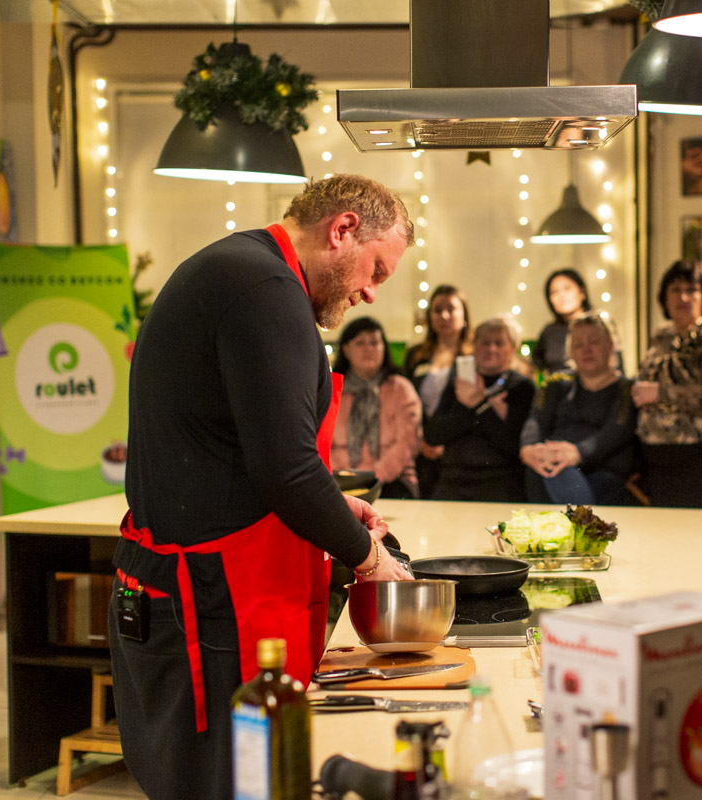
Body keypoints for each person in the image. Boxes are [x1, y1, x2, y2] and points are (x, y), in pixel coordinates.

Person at [111, 175, 414, 800]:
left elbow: (248, 451)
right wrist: (372, 561)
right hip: (209, 596)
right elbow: (286, 472)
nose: (370, 292)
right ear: (343, 230)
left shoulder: (246, 271)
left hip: (204, 581)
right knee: (231, 783)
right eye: (376, 270)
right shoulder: (264, 288)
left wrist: (334, 503)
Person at [632, 261, 702, 508]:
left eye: (692, 289)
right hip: (657, 452)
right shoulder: (660, 335)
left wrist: (660, 394)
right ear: (664, 297)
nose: (683, 296)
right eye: (675, 289)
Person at [521, 313, 635, 505]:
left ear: (611, 345)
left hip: (602, 470)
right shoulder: (555, 382)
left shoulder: (626, 388)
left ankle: (582, 526)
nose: (586, 350)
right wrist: (528, 446)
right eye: (578, 344)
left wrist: (577, 452)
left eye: (594, 342)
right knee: (544, 469)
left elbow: (616, 431)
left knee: (556, 470)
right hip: (553, 464)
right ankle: (586, 527)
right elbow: (536, 420)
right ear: (570, 352)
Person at [424, 316, 536, 502]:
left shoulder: (522, 387)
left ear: (513, 348)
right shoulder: (460, 381)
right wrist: (471, 407)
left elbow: (514, 445)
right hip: (452, 482)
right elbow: (433, 434)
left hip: (500, 484)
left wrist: (479, 405)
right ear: (474, 347)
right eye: (485, 342)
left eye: (499, 343)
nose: (491, 349)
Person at [330, 316, 421, 499]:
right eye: (360, 343)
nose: (369, 349)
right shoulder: (332, 390)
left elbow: (408, 443)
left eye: (375, 342)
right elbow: (321, 442)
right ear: (346, 350)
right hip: (339, 480)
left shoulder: (400, 388)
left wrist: (374, 476)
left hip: (393, 480)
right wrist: (347, 476)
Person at [403, 284, 472, 497]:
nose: (444, 315)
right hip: (419, 446)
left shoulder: (473, 356)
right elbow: (405, 400)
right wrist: (421, 441)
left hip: (456, 450)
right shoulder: (417, 354)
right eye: (437, 310)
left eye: (451, 309)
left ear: (464, 315)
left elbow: (468, 407)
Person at [532, 268, 591, 374]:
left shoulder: (599, 325)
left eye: (567, 289)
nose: (561, 296)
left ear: (582, 292)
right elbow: (536, 364)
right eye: (554, 292)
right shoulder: (549, 331)